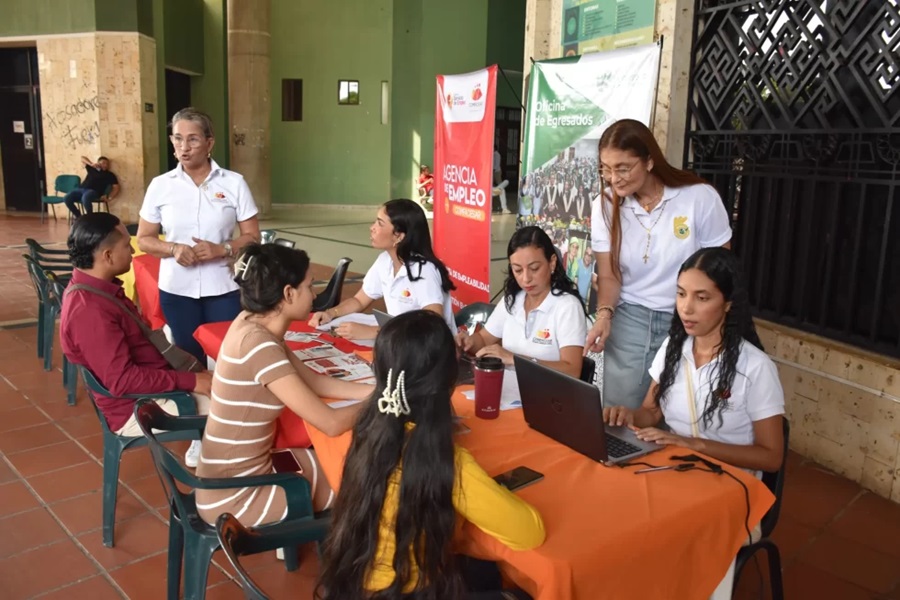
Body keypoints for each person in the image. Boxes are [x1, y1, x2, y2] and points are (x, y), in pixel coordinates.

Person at [318, 310, 545, 599]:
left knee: (482, 569)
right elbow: (529, 533)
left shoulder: (368, 432)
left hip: (353, 585)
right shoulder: (446, 462)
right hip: (408, 591)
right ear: (448, 382)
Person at [603, 247, 784, 600]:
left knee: (662, 530)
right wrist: (626, 415)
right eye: (681, 294)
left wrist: (693, 444)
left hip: (731, 487)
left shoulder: (756, 367)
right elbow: (650, 412)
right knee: (622, 511)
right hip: (677, 470)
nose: (686, 308)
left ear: (728, 303)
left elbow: (771, 457)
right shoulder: (675, 348)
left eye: (702, 298)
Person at [195, 243, 372, 525]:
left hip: (233, 476)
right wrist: (383, 401)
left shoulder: (252, 323)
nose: (315, 295)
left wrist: (378, 389)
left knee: (349, 461)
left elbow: (314, 382)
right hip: (237, 495)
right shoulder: (258, 345)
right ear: (288, 294)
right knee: (369, 483)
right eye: (310, 286)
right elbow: (331, 423)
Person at [587, 119, 732, 409]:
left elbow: (720, 270)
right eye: (606, 169)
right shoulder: (604, 205)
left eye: (623, 168)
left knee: (677, 410)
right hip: (630, 321)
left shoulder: (698, 197)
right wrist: (604, 315)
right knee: (621, 414)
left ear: (650, 161)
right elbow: (609, 275)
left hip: (687, 320)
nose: (614, 179)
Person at [60, 213, 211, 466]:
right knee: (241, 405)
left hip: (153, 388)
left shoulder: (98, 290)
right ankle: (227, 477)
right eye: (126, 246)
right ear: (108, 256)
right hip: (137, 407)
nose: (132, 251)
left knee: (232, 387)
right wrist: (191, 381)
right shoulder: (89, 311)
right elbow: (122, 380)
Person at [137, 107, 261, 363]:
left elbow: (253, 236)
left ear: (209, 143)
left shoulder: (233, 183)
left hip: (224, 287)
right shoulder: (160, 185)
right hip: (177, 290)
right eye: (177, 138)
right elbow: (144, 239)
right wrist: (173, 249)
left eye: (193, 139)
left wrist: (223, 249)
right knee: (189, 358)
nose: (184, 147)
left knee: (227, 357)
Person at [456, 226, 587, 404]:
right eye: (517, 270)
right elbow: (484, 340)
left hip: (549, 403)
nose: (526, 278)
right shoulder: (513, 300)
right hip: (507, 397)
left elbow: (572, 370)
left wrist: (515, 360)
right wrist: (468, 342)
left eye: (534, 268)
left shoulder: (567, 306)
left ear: (552, 262)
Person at [308, 198, 455, 340]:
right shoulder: (384, 260)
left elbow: (432, 323)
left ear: (398, 236)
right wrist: (331, 313)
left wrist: (374, 332)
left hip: (428, 348)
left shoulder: (424, 270)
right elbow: (359, 300)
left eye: (380, 223)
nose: (372, 228)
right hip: (401, 340)